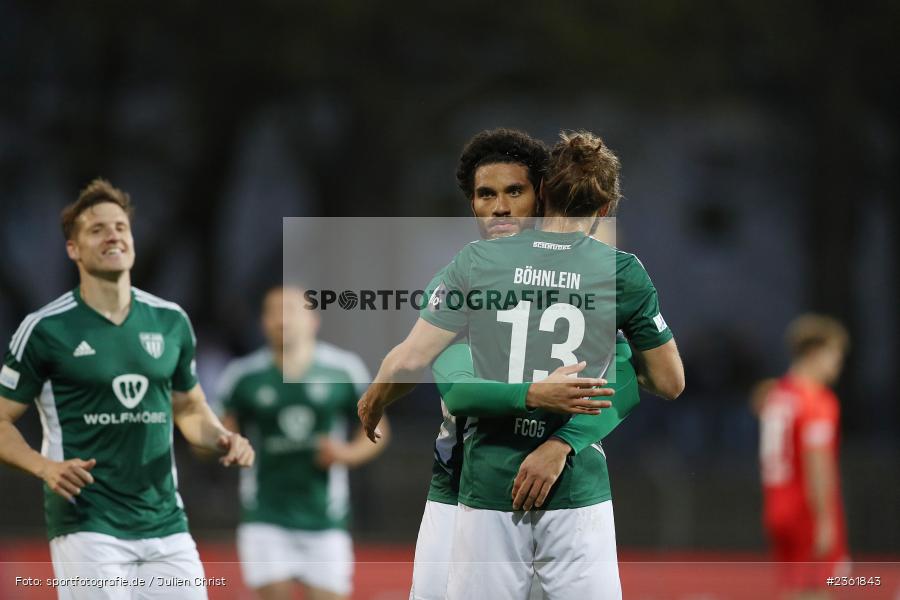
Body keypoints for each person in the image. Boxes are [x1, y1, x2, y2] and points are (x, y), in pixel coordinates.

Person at [360, 131, 683, 600]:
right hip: (477, 486)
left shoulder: (474, 266)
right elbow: (659, 378)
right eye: (486, 195)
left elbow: (421, 364)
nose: (501, 208)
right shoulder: (614, 273)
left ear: (542, 192)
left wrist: (373, 398)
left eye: (515, 192)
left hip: (489, 484)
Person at [0, 179, 254, 600]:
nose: (113, 234)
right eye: (97, 229)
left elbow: (189, 407)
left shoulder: (170, 320)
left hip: (166, 522)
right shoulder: (45, 329)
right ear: (73, 249)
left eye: (121, 226)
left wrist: (222, 438)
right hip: (87, 523)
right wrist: (44, 467)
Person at [217, 285, 389, 600]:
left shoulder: (343, 369)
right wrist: (224, 444)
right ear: (263, 322)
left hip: (326, 517)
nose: (283, 320)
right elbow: (220, 433)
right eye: (274, 312)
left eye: (292, 310)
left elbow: (379, 431)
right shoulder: (242, 376)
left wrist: (346, 454)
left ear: (313, 319)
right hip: (265, 514)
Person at [757, 314, 850, 599]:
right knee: (822, 589)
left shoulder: (777, 393)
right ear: (814, 353)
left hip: (776, 505)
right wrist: (826, 519)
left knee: (793, 588)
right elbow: (818, 463)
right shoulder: (818, 400)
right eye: (834, 354)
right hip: (805, 509)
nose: (838, 363)